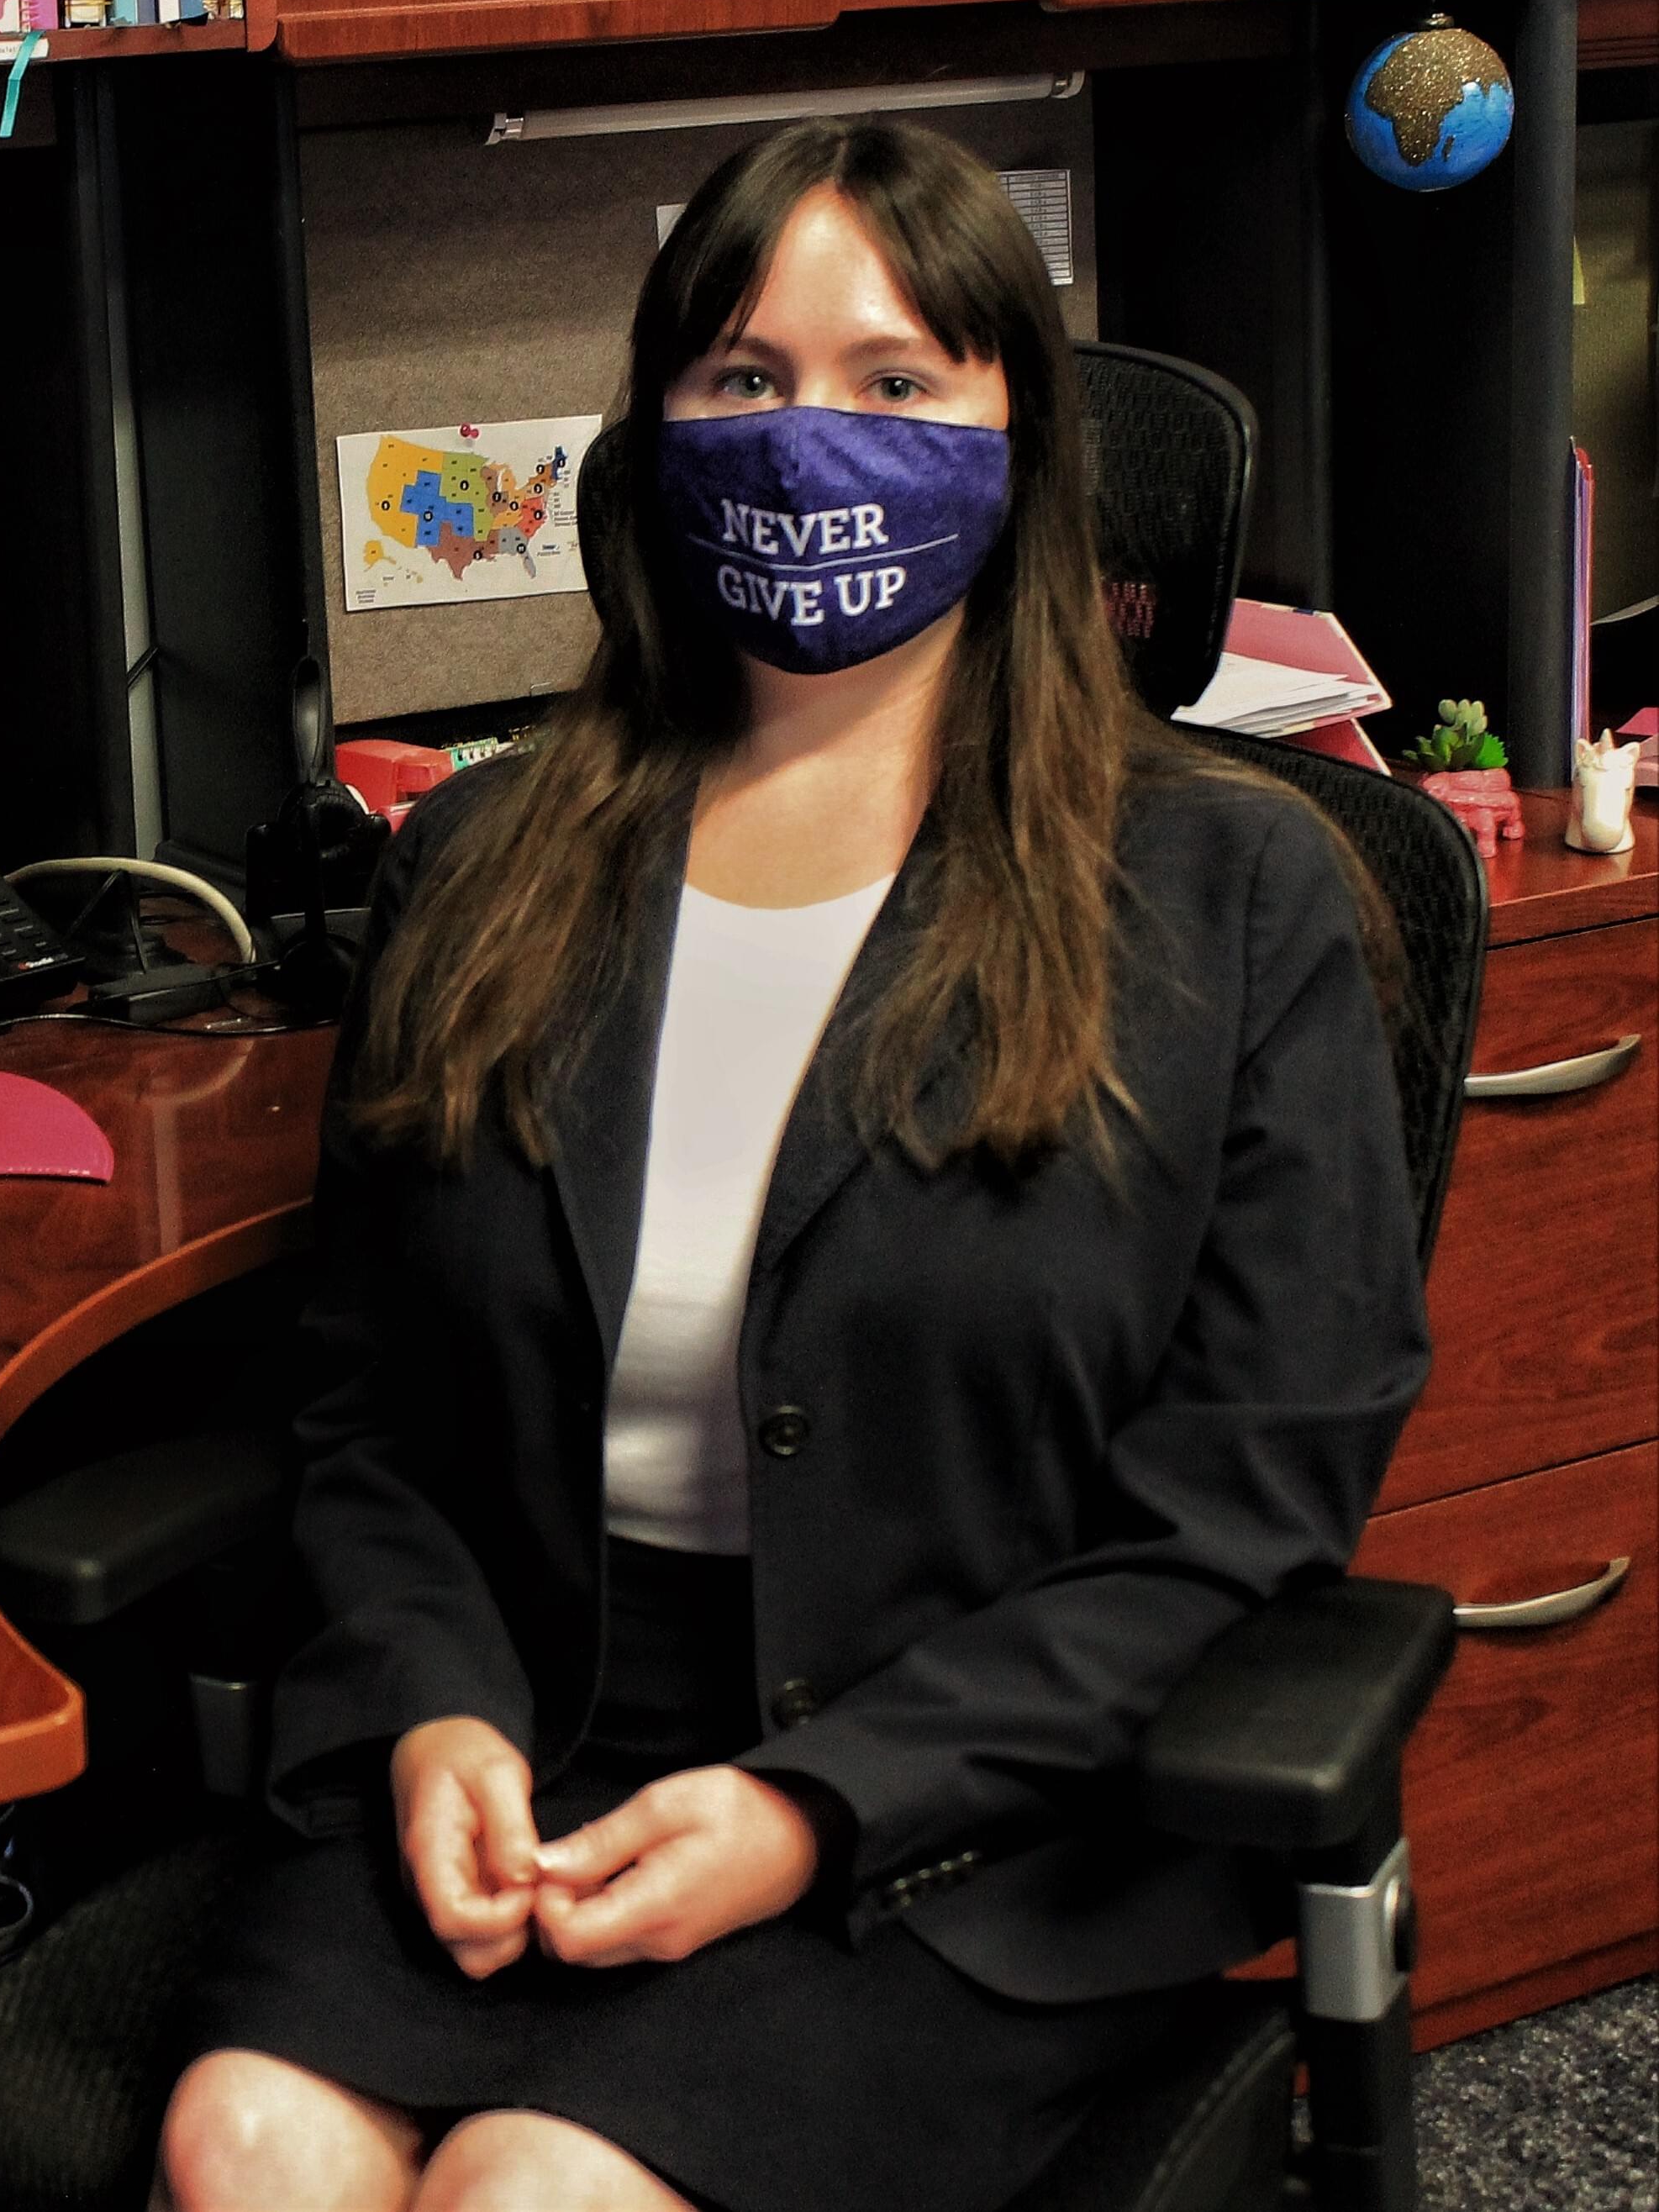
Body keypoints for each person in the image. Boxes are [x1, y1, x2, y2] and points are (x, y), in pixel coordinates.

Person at [156, 118, 1431, 2212]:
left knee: (532, 2193)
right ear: (651, 438)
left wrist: (815, 1809)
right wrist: (425, 1715)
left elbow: (1242, 1510)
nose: (808, 438)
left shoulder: (1226, 894)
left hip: (972, 1807)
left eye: (894, 381)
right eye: (741, 380)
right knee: (245, 2143)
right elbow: (368, 1421)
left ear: (1016, 435)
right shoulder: (481, 865)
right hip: (529, 1743)